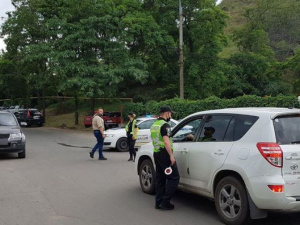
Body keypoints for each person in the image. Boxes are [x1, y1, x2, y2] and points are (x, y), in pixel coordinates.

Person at [150, 105, 180, 210]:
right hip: (165, 155)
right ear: (167, 113)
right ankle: (165, 202)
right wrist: (171, 156)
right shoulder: (165, 125)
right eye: (170, 114)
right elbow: (166, 141)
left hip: (157, 153)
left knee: (160, 178)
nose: (170, 116)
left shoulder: (155, 125)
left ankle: (158, 203)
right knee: (174, 177)